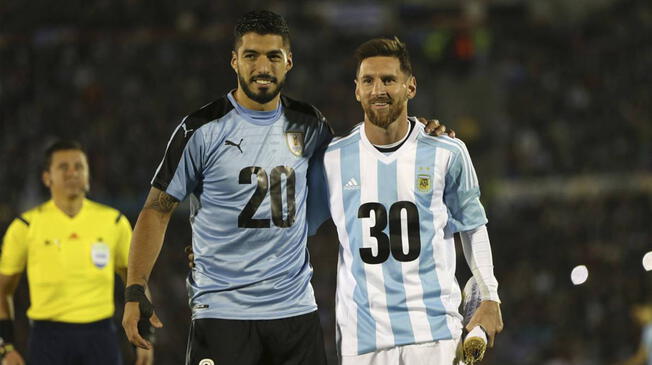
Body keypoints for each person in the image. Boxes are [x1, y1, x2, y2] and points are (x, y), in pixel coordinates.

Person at [122, 10, 448, 365]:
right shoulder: (200, 129)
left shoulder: (310, 125)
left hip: (294, 313)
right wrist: (136, 288)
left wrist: (420, 132)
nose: (263, 66)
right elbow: (157, 207)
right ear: (234, 61)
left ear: (289, 61)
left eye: (273, 56)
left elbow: (365, 157)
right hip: (222, 313)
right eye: (251, 56)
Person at [307, 37, 503, 364]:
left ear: (410, 87)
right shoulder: (332, 160)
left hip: (435, 335)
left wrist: (491, 296)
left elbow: (472, 227)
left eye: (388, 80)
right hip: (362, 341)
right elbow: (293, 228)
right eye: (368, 80)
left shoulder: (447, 152)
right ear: (356, 89)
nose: (378, 89)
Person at [0, 140, 153, 365]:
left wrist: (145, 336)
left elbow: (136, 283)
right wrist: (6, 347)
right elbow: (3, 291)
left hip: (100, 336)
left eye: (79, 167)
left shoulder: (114, 222)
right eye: (63, 167)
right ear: (47, 177)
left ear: (88, 175)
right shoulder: (25, 226)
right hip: (47, 338)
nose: (72, 173)